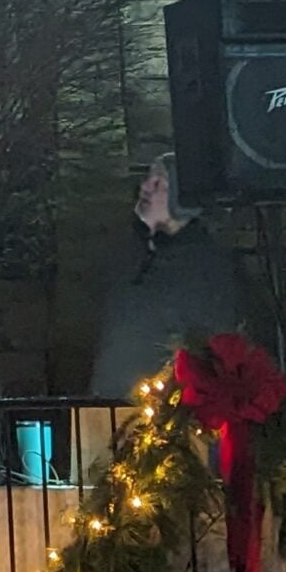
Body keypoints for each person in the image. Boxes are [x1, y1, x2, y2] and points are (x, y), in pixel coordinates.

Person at [86, 153, 242, 401]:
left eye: (159, 183)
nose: (146, 187)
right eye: (148, 178)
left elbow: (213, 344)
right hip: (107, 410)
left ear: (182, 196)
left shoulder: (206, 266)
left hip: (174, 417)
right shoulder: (126, 254)